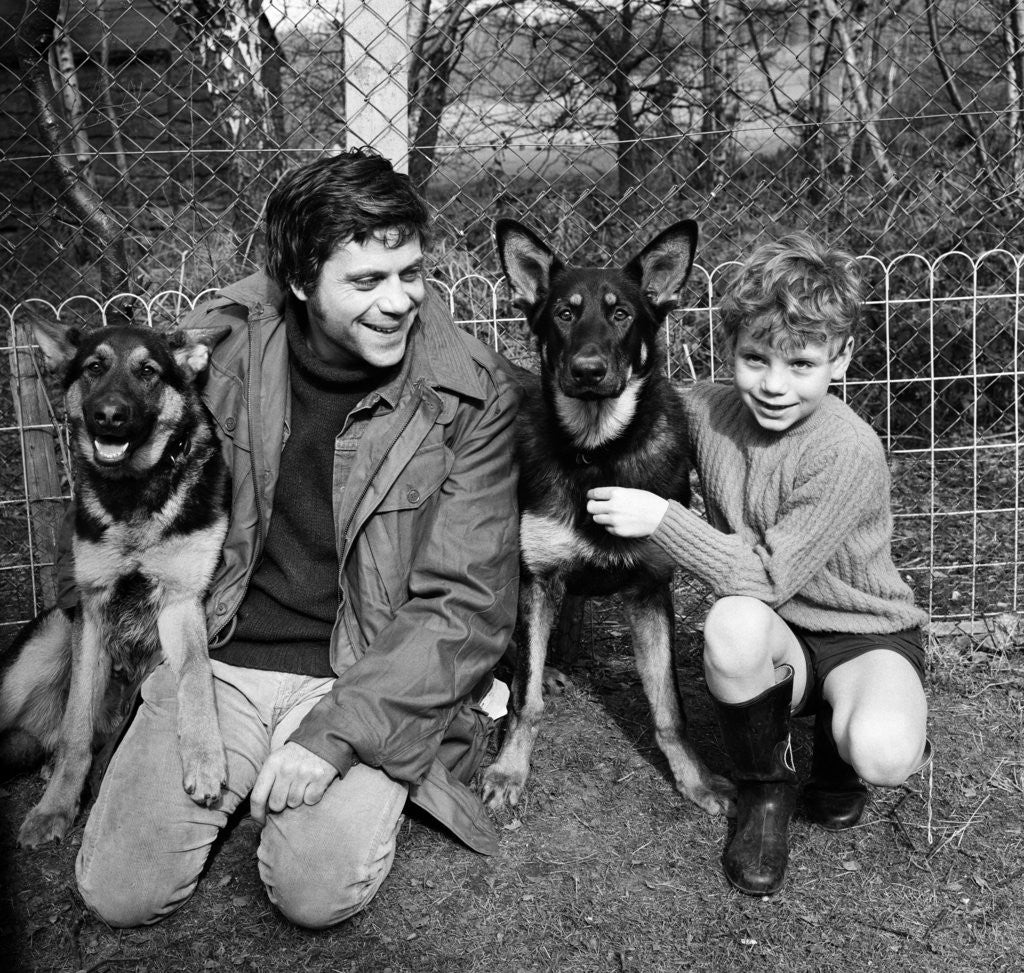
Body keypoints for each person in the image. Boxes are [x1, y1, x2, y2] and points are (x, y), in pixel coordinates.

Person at [73, 149, 521, 928]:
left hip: (361, 670)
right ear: (304, 281)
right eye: (367, 281)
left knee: (314, 891)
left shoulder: (468, 394)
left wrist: (334, 737)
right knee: (120, 890)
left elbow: (468, 601)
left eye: (411, 273)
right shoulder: (225, 350)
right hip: (222, 654)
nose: (399, 302)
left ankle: (443, 728)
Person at [585, 231, 930, 896]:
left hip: (861, 635)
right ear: (729, 351)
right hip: (775, 633)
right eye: (754, 358)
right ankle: (764, 794)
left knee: (882, 750)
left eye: (800, 364)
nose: (773, 384)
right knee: (732, 625)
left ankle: (841, 750)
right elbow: (629, 399)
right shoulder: (707, 412)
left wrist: (663, 519)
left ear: (841, 358)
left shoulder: (846, 449)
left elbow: (772, 574)